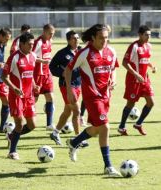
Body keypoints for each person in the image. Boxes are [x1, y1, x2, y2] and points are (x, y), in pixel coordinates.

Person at [64, 24, 121, 176]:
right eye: (101, 38)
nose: (104, 41)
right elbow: (68, 70)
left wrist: (113, 80)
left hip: (106, 96)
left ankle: (74, 142)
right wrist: (69, 90)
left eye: (107, 38)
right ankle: (108, 166)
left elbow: (114, 68)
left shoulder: (111, 51)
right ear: (93, 38)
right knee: (106, 128)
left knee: (97, 129)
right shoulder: (85, 53)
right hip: (92, 97)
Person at [1, 32, 38, 160]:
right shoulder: (14, 58)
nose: (31, 47)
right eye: (29, 44)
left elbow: (30, 74)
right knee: (19, 124)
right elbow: (4, 76)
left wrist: (34, 85)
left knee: (32, 125)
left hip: (29, 96)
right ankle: (12, 152)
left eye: (33, 44)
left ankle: (11, 137)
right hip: (16, 96)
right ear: (21, 44)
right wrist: (15, 88)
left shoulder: (33, 56)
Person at [49, 30, 88, 147]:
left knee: (68, 111)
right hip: (66, 86)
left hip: (78, 84)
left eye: (77, 38)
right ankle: (78, 138)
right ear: (68, 40)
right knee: (77, 111)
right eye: (73, 38)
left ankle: (55, 133)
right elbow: (52, 67)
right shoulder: (62, 53)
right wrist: (62, 73)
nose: (76, 40)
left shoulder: (80, 51)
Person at [118, 25, 156, 136]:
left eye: (149, 35)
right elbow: (124, 63)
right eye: (146, 35)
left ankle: (138, 124)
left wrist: (152, 66)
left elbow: (146, 60)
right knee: (131, 104)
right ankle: (121, 127)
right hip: (133, 80)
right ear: (140, 35)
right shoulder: (134, 46)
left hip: (145, 79)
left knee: (151, 102)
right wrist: (136, 74)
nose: (148, 37)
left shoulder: (149, 45)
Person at [32, 23, 55, 131]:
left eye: (53, 34)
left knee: (50, 97)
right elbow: (30, 56)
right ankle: (26, 119)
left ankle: (49, 124)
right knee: (34, 99)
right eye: (50, 33)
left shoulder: (50, 41)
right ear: (44, 32)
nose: (52, 36)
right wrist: (42, 61)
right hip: (37, 74)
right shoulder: (38, 42)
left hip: (47, 74)